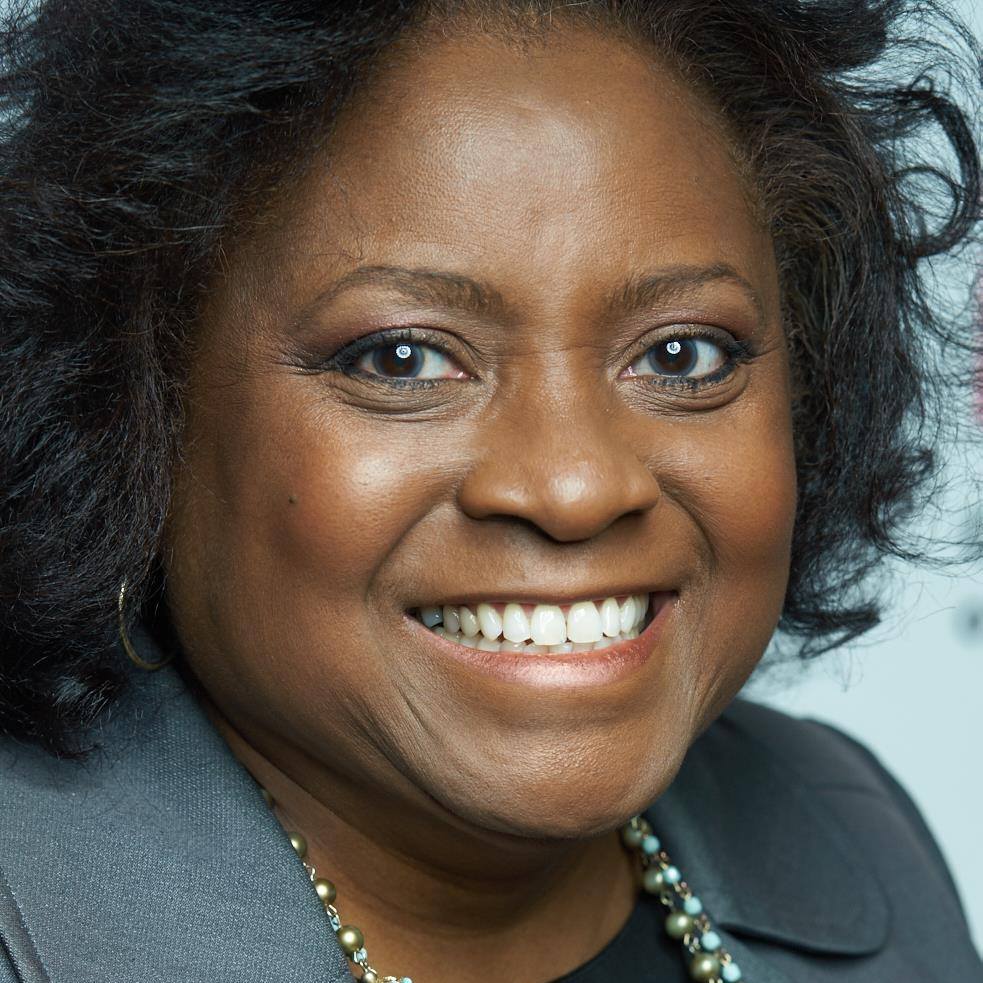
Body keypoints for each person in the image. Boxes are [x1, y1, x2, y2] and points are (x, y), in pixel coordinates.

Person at [1, 1, 980, 981]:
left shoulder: (857, 837)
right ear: (128, 407)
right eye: (402, 358)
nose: (574, 488)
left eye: (681, 354)